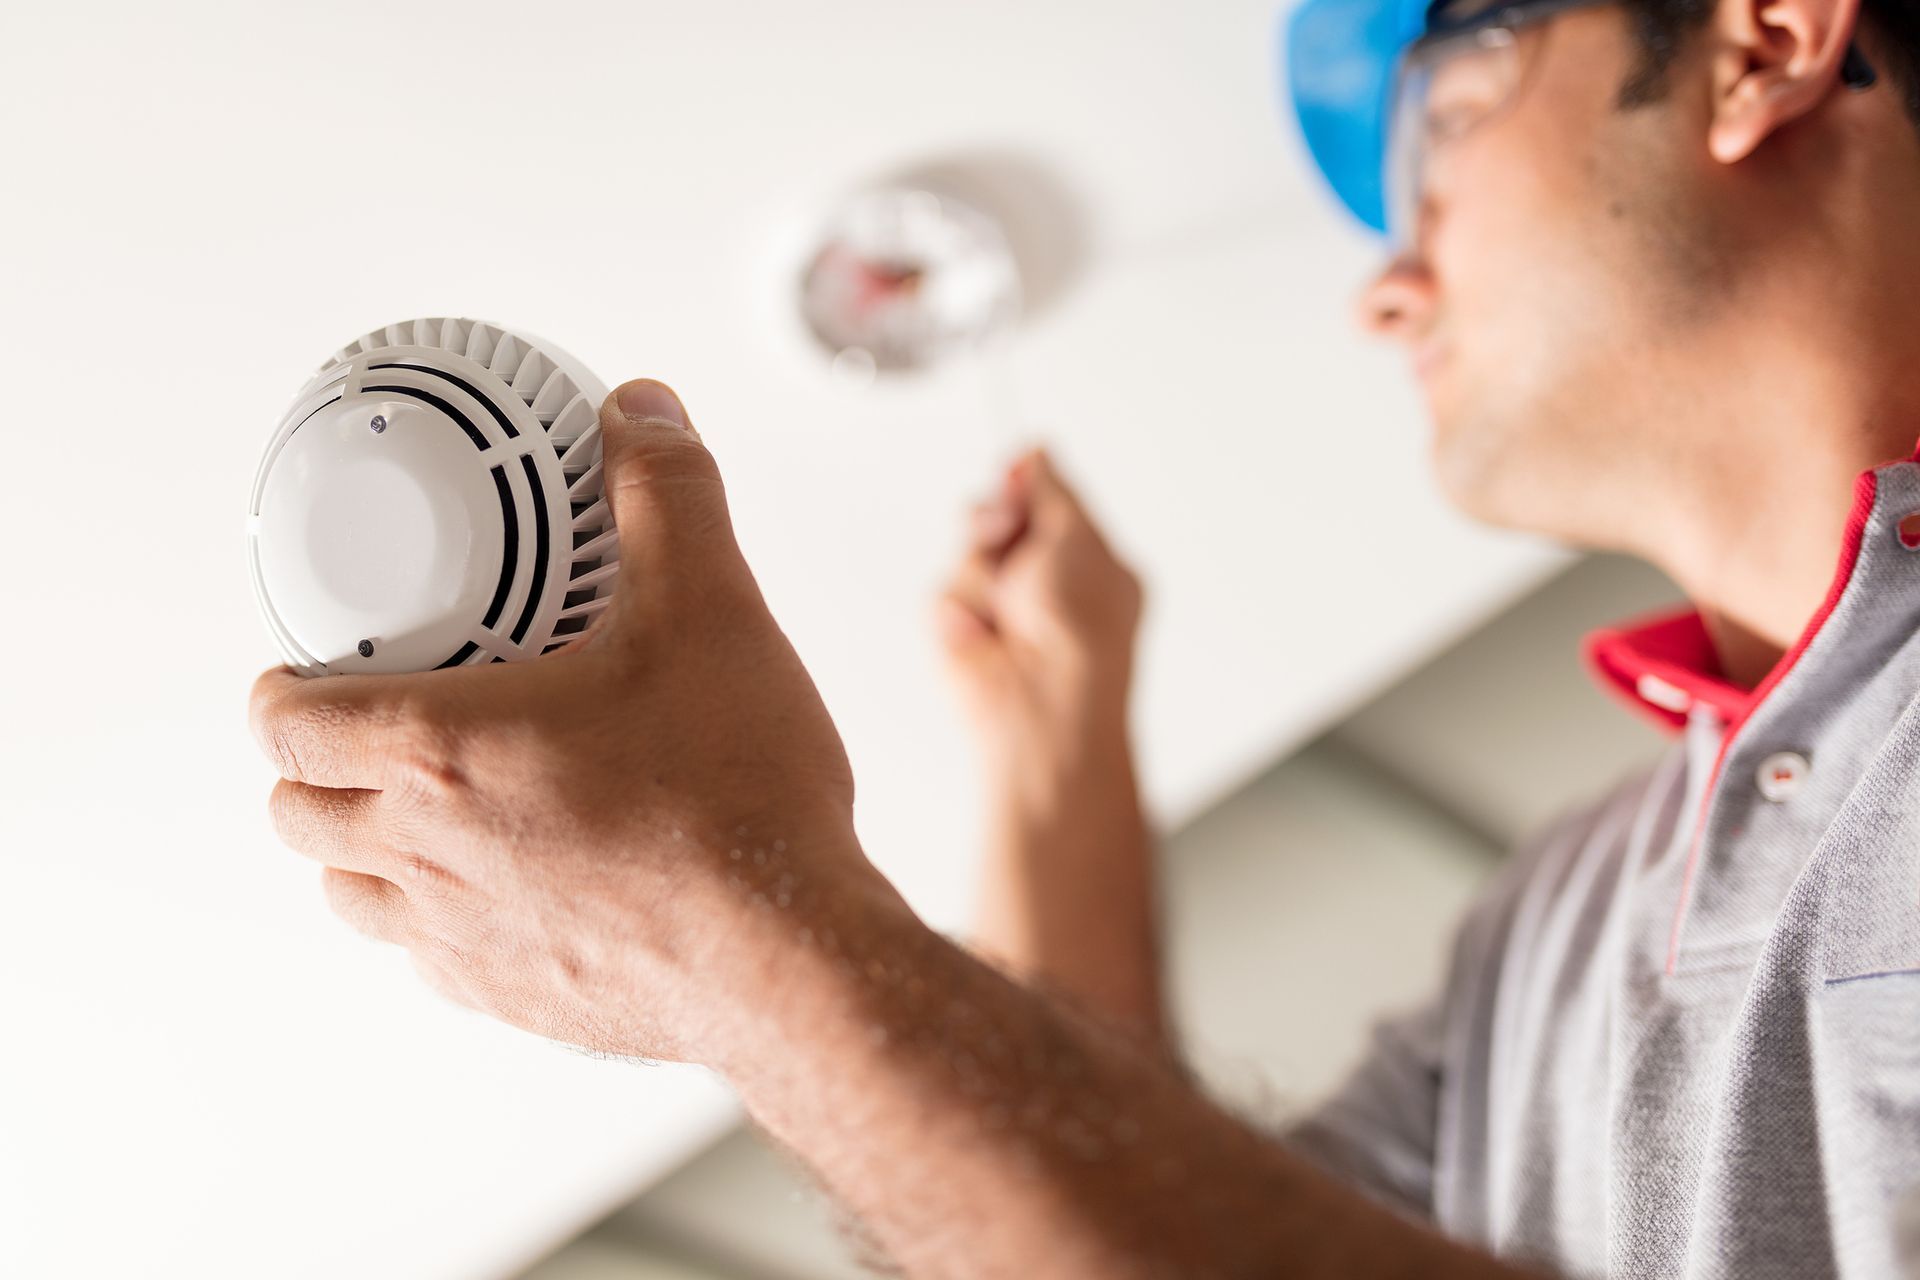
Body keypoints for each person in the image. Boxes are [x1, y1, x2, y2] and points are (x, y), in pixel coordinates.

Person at [247, 0, 1920, 1269]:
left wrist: (745, 943)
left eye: (1443, 134)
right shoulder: (1561, 919)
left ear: (1763, 42)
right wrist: (1057, 771)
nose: (1383, 287)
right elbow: (1143, 1218)